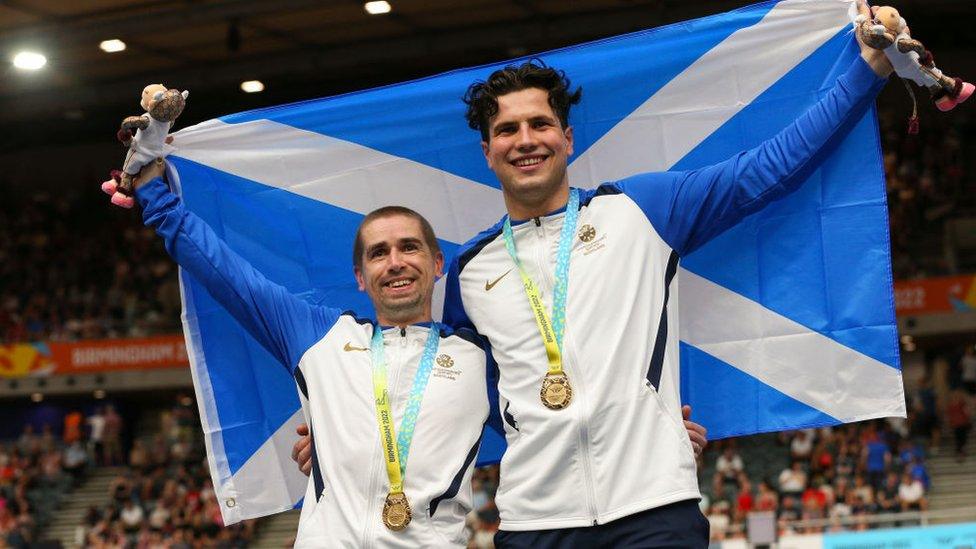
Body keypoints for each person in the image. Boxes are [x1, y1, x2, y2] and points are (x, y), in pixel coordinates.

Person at [439, 2, 892, 545]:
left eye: (541, 123)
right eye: (507, 129)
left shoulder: (641, 210)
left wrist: (867, 69)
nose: (526, 138)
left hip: (654, 505)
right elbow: (460, 391)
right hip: (535, 521)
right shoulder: (470, 269)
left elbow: (769, 167)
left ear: (568, 138)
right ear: (488, 153)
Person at [122, 160, 494, 546]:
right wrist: (153, 191)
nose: (396, 262)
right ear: (360, 277)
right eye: (379, 253)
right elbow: (224, 270)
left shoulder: (479, 356)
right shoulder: (322, 337)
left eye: (409, 247)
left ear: (436, 264)